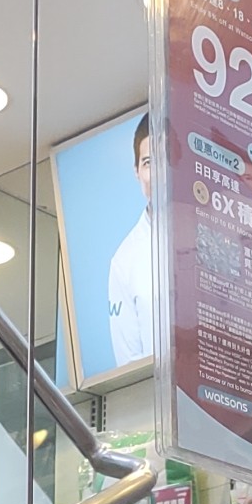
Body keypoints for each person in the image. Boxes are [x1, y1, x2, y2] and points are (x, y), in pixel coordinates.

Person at [106, 114, 155, 365]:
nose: (158, 172)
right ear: (137, 172)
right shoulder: (125, 261)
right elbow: (128, 363)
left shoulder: (217, 234)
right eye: (148, 162)